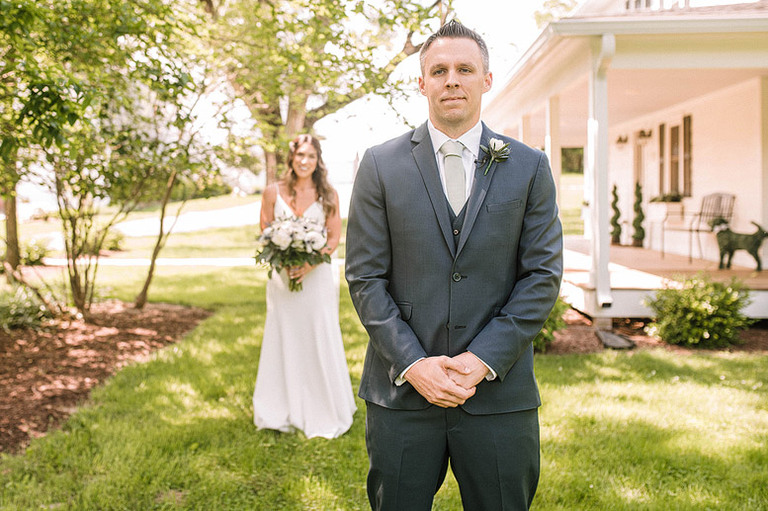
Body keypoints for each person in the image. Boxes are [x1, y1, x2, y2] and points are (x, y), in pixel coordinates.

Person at [345, 20, 563, 509]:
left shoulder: (529, 166)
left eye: (465, 69)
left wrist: (481, 360)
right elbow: (365, 277)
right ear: (421, 82)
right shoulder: (380, 165)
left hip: (497, 395)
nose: (452, 80)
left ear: (486, 79)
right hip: (402, 395)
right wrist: (413, 364)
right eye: (438, 70)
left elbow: (542, 276)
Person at [253, 134, 356, 439]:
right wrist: (286, 263)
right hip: (283, 280)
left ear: (317, 160)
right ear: (291, 158)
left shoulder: (329, 195)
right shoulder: (273, 192)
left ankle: (324, 406)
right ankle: (280, 407)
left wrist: (309, 265)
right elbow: (265, 231)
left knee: (317, 334)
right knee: (283, 334)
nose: (304, 161)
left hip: (318, 278)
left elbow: (335, 238)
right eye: (299, 155)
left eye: (310, 156)